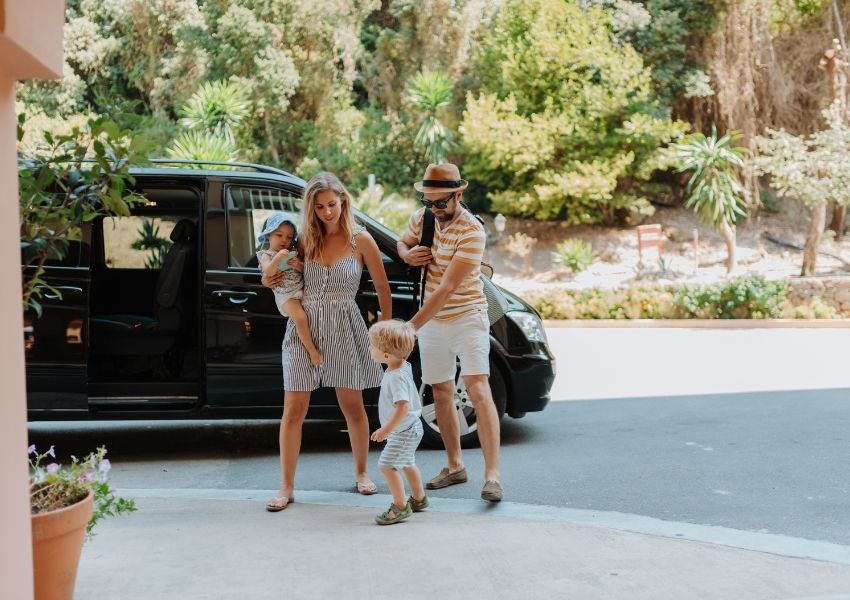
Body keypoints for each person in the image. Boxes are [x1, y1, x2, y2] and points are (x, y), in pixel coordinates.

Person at [262, 172, 391, 512]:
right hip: (304, 327)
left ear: (343, 201)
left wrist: (386, 329)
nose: (327, 212)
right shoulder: (304, 239)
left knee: (353, 406)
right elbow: (278, 273)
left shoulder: (360, 240)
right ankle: (286, 487)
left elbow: (382, 287)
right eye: (319, 207)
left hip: (346, 326)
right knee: (293, 410)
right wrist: (272, 277)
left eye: (332, 204)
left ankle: (363, 472)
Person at [398, 163, 503, 502]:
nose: (434, 209)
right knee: (440, 391)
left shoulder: (472, 231)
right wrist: (408, 255)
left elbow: (447, 288)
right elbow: (403, 243)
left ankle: (492, 477)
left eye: (441, 202)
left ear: (459, 195)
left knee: (478, 390)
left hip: (466, 316)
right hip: (433, 322)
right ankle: (455, 465)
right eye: (429, 201)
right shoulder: (423, 218)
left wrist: (410, 327)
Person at [368, 319, 427, 525]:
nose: (369, 348)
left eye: (372, 346)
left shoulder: (396, 377)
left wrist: (386, 429)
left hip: (403, 430)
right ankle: (419, 499)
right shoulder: (402, 365)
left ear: (386, 355)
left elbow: (403, 406)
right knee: (407, 462)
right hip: (410, 428)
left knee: (387, 465)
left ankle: (401, 507)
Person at [256, 212, 322, 366]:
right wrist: (278, 258)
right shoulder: (266, 255)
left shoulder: (293, 254)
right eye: (279, 235)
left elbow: (306, 272)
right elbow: (268, 272)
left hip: (301, 289)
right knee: (300, 318)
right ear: (269, 235)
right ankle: (312, 350)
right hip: (286, 296)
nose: (284, 240)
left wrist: (298, 265)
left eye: (289, 237)